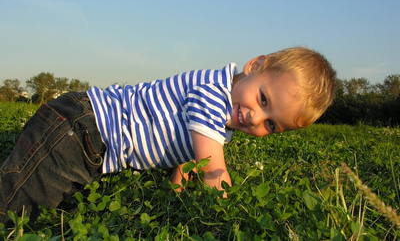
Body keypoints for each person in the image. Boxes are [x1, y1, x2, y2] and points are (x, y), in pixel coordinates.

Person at [0, 46, 337, 226]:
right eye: (263, 100)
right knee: (13, 207)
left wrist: (175, 190)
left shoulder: (219, 126)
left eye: (272, 124)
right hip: (79, 129)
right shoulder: (211, 92)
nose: (256, 117)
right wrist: (228, 216)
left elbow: (189, 162)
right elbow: (211, 168)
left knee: (55, 214)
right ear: (255, 66)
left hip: (91, 149)